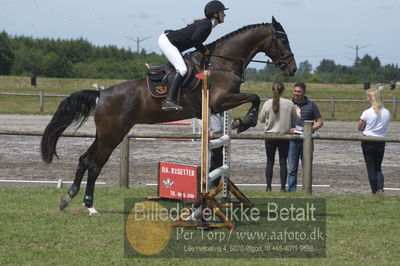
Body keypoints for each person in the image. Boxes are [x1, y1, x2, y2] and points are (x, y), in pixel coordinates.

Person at [158, 1, 228, 111]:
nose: (224, 14)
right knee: (182, 69)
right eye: (222, 12)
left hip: (170, 41)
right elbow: (195, 39)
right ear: (215, 14)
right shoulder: (207, 25)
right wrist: (204, 50)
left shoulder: (207, 24)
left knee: (182, 67)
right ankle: (168, 100)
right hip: (167, 41)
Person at [258, 81, 300, 192]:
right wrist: (298, 111)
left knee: (270, 161)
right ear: (283, 91)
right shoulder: (289, 103)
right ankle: (282, 188)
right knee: (283, 162)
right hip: (284, 136)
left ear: (273, 90)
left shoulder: (267, 103)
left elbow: (261, 119)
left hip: (270, 135)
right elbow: (296, 119)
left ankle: (268, 187)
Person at [287, 82, 323, 191]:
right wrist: (290, 129)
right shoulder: (288, 104)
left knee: (307, 166)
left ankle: (306, 189)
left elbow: (320, 122)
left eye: (299, 91)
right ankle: (292, 190)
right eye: (295, 91)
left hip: (307, 140)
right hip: (292, 139)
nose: (296, 93)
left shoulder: (311, 105)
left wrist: (309, 130)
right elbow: (283, 121)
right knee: (292, 167)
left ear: (304, 92)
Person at [358, 89, 390, 194]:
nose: (366, 99)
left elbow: (360, 127)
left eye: (368, 97)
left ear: (372, 98)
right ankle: (380, 188)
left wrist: (365, 128)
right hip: (381, 141)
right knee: (378, 167)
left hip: (368, 141)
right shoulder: (387, 112)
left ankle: (374, 191)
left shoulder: (367, 112)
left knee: (370, 167)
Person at [209, 112, 224, 187]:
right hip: (214, 135)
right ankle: (212, 183)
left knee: (218, 160)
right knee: (217, 160)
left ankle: (214, 184)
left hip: (221, 135)